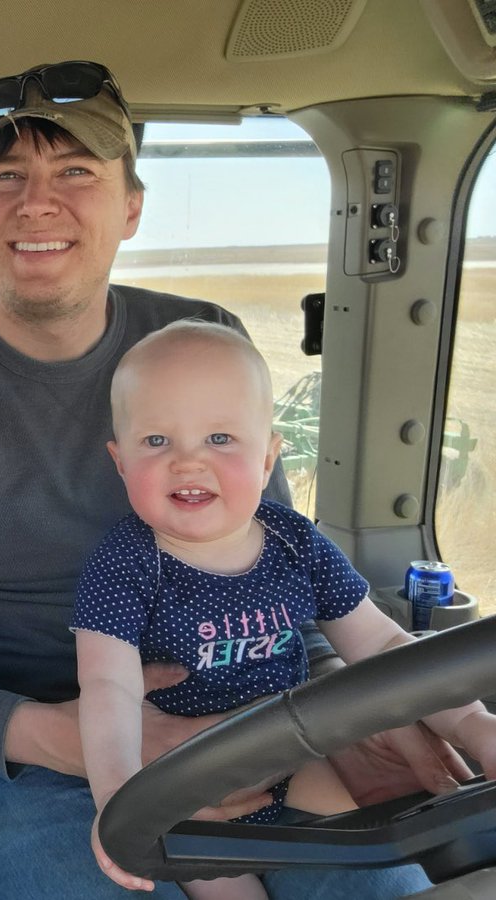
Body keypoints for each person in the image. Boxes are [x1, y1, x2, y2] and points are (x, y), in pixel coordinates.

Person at [0, 59, 468, 898]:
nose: (36, 202)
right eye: (6, 176)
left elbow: (281, 569)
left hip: (252, 725)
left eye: (76, 172)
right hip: (34, 763)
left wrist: (345, 714)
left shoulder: (203, 340)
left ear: (132, 206)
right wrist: (79, 740)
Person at [74, 320, 496, 897]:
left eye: (220, 439)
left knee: (388, 869)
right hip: (185, 786)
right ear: (121, 462)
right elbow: (108, 689)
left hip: (298, 758)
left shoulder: (294, 541)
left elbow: (380, 645)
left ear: (269, 455)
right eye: (156, 441)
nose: (188, 462)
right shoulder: (124, 565)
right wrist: (117, 797)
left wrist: (473, 724)